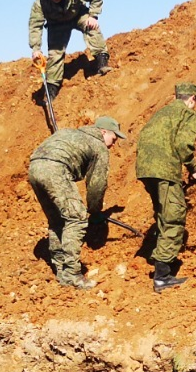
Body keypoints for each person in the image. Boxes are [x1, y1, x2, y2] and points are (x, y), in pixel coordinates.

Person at [28, 117, 125, 290]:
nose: (113, 144)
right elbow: (97, 184)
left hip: (35, 167)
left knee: (57, 220)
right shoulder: (98, 145)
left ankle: (61, 271)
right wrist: (94, 211)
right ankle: (72, 275)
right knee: (77, 218)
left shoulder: (71, 132)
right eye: (113, 138)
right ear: (103, 132)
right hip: (55, 169)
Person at [135, 83, 196, 292]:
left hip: (145, 169)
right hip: (165, 169)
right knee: (174, 216)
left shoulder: (161, 113)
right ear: (191, 99)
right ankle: (162, 275)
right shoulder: (187, 113)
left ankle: (162, 264)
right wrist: (194, 169)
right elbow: (184, 146)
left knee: (163, 213)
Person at [29, 0, 110, 96]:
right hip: (57, 24)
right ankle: (52, 89)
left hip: (78, 15)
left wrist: (93, 15)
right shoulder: (40, 2)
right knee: (54, 55)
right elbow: (35, 24)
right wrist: (36, 49)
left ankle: (101, 61)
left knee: (92, 27)